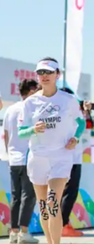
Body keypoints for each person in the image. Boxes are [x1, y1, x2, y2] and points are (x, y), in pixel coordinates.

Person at [18, 58, 84, 244]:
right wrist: (33, 130)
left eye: (48, 72)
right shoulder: (30, 103)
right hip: (38, 158)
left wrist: (76, 138)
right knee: (43, 206)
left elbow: (80, 123)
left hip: (61, 157)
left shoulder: (69, 100)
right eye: (41, 72)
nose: (44, 76)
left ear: (58, 74)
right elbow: (21, 132)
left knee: (53, 203)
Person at [4, 78, 40, 244]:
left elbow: (6, 135)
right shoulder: (30, 108)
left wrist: (9, 154)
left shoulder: (10, 110)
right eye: (37, 89)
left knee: (16, 197)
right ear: (31, 91)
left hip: (14, 159)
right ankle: (24, 233)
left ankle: (14, 233)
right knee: (28, 196)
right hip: (27, 157)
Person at [58, 87, 86, 238]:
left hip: (62, 157)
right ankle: (62, 225)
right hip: (72, 158)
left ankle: (59, 224)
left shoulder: (60, 111)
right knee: (69, 192)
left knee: (60, 192)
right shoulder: (72, 112)